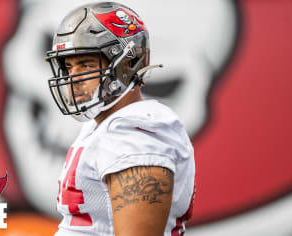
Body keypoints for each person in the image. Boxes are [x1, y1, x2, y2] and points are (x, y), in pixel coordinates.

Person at [45, 2, 195, 236]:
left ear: (127, 64)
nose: (72, 79)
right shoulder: (101, 124)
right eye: (68, 66)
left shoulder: (136, 132)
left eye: (85, 65)